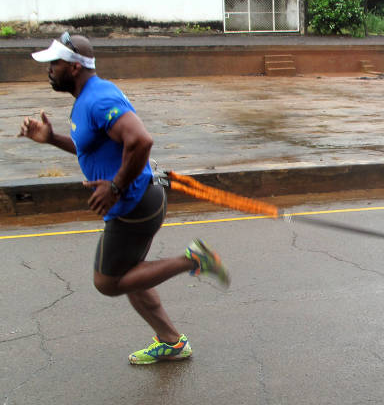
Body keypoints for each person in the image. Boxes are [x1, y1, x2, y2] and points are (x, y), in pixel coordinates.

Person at [18, 32, 229, 365]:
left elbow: (142, 141)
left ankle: (194, 260)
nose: (48, 69)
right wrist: (51, 138)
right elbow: (91, 145)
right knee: (131, 275)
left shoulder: (99, 99)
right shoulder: (87, 98)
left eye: (54, 63)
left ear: (73, 67)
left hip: (134, 205)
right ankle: (171, 342)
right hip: (139, 200)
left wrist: (114, 186)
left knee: (107, 281)